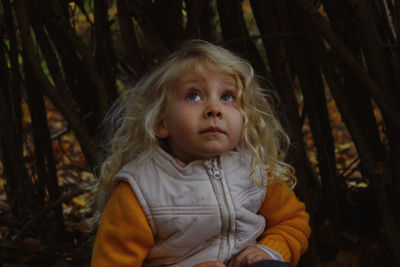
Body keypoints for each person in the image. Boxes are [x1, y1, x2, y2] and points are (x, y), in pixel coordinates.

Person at [90, 40, 311, 267]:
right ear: (161, 121)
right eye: (194, 95)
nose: (214, 109)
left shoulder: (253, 169)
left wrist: (269, 250)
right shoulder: (141, 190)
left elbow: (292, 221)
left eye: (227, 96)